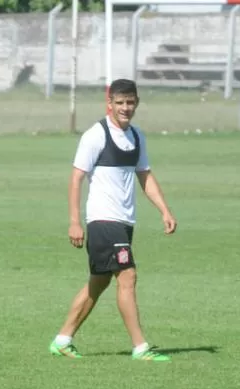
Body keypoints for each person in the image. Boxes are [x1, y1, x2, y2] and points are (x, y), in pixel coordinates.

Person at [49, 78, 177, 362]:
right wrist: (74, 221)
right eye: (119, 103)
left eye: (130, 102)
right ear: (109, 104)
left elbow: (145, 175)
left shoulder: (137, 136)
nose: (125, 108)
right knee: (128, 276)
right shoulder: (95, 135)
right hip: (103, 220)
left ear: (137, 103)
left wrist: (164, 210)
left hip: (124, 221)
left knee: (99, 282)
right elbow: (76, 178)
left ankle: (62, 339)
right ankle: (140, 347)